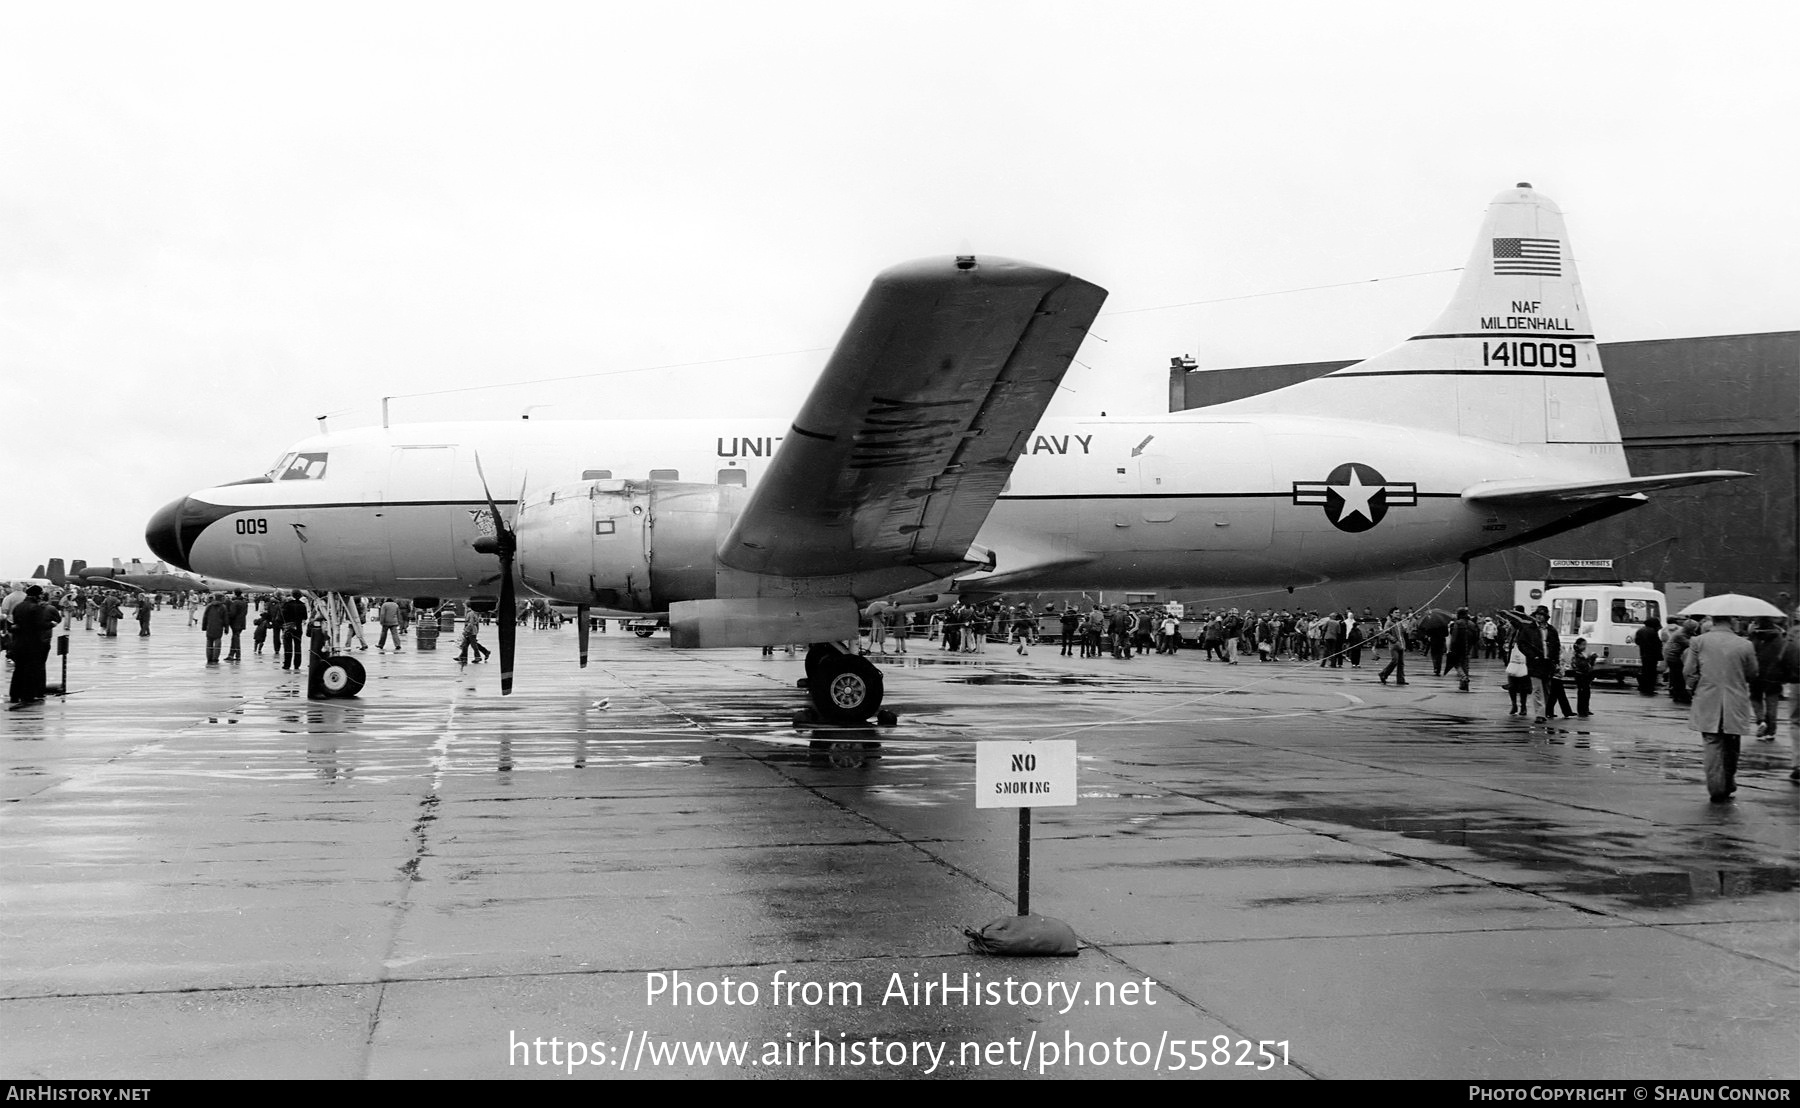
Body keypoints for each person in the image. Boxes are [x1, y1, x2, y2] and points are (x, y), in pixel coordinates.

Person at [1684, 614, 1759, 802]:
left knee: (1712, 742)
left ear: (1714, 620)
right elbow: (1753, 672)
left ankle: (1716, 787)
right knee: (1732, 742)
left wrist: (1693, 686)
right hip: (1735, 700)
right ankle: (1728, 780)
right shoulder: (1745, 644)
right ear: (1732, 621)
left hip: (1707, 698)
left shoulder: (1698, 641)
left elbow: (1688, 670)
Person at [7, 586, 57, 705]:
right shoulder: (36, 608)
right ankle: (27, 696)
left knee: (18, 669)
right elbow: (39, 624)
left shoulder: (19, 606)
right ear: (37, 595)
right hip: (32, 643)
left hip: (18, 642)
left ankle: (14, 694)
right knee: (31, 670)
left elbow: (16, 623)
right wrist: (51, 624)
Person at [1749, 617, 1797, 740]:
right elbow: (1786, 657)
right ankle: (1771, 731)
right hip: (1775, 674)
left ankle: (1761, 721)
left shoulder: (1754, 637)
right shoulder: (1780, 639)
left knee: (1755, 697)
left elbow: (1748, 653)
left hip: (1756, 673)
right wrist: (1786, 674)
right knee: (1772, 701)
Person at [1377, 608, 1408, 686]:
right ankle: (1383, 674)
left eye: (1399, 612)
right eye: (1396, 612)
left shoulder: (1399, 622)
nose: (1398, 613)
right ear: (1391, 614)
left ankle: (1400, 679)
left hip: (1401, 644)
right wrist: (1394, 640)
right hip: (1394, 645)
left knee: (1401, 663)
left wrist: (1405, 627)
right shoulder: (1389, 623)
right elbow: (1386, 633)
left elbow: (1403, 633)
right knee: (1395, 661)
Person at [280, 590, 309, 671]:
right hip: (298, 627)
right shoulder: (302, 605)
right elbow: (305, 617)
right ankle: (297, 664)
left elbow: (283, 615)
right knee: (298, 646)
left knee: (288, 646)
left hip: (289, 627)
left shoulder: (287, 604)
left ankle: (287, 664)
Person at [1633, 617, 1662, 695]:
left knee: (1645, 670)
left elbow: (1637, 641)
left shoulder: (1640, 630)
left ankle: (1643, 686)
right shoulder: (1652, 631)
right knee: (1651, 671)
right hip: (1652, 654)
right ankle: (1649, 688)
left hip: (1644, 653)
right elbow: (1657, 644)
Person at [200, 594, 231, 665]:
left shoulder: (209, 606)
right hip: (218, 627)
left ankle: (209, 658)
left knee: (209, 643)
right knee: (217, 643)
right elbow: (225, 619)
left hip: (210, 627)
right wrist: (226, 628)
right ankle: (215, 658)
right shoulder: (223, 607)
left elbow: (205, 617)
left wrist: (204, 627)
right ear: (221, 598)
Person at [1570, 638, 1595, 717]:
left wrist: (1592, 659)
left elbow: (1588, 664)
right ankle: (1582, 710)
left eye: (1585, 645)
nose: (1584, 647)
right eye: (1583, 645)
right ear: (1578, 645)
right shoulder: (1577, 654)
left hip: (1586, 674)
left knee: (1586, 692)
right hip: (1580, 674)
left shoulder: (1583, 653)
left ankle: (1586, 708)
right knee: (1582, 692)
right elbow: (1580, 664)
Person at [225, 591, 248, 660]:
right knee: (235, 638)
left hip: (235, 623)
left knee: (236, 638)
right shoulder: (244, 602)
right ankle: (231, 654)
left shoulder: (235, 602)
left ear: (235, 593)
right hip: (242, 622)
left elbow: (232, 613)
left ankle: (237, 655)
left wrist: (226, 614)